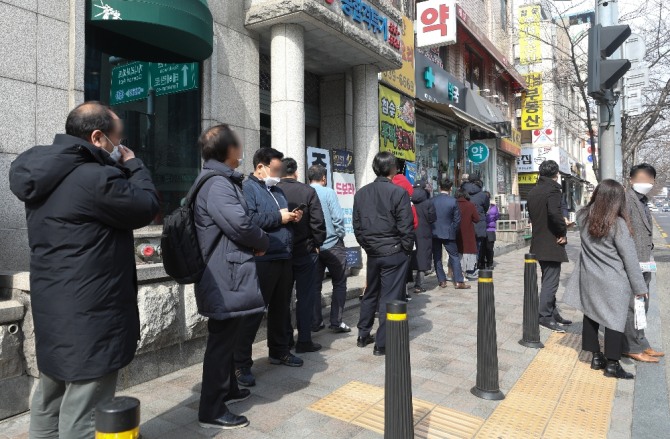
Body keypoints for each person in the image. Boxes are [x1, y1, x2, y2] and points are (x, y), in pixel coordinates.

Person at [9, 102, 160, 438]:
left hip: (54, 309)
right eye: (118, 140)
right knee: (85, 413)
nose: (120, 147)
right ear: (97, 137)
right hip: (93, 312)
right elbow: (146, 206)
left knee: (49, 399)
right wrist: (133, 164)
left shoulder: (45, 173)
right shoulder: (96, 177)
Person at [192, 125, 270, 430]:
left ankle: (229, 389)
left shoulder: (220, 181)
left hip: (228, 271)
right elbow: (240, 225)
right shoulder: (218, 185)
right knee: (221, 341)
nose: (241, 149)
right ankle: (211, 408)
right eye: (237, 144)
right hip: (224, 274)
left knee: (228, 334)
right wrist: (262, 241)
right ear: (228, 150)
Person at [564, 180, 648, 379]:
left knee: (591, 315)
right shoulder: (618, 224)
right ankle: (612, 365)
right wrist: (640, 286)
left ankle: (596, 357)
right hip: (614, 281)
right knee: (614, 322)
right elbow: (630, 258)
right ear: (617, 200)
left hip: (589, 277)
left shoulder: (582, 216)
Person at [234, 148, 303, 389]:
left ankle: (280, 350)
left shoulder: (277, 190)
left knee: (282, 308)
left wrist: (292, 217)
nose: (278, 174)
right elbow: (248, 221)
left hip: (283, 255)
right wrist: (279, 217)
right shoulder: (247, 188)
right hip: (261, 258)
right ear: (261, 167)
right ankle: (241, 364)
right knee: (253, 312)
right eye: (275, 169)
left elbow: (279, 216)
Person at [353, 152, 414, 356]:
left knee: (371, 292)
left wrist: (368, 246)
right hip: (393, 251)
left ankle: (363, 334)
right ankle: (382, 343)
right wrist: (405, 248)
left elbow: (357, 227)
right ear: (393, 169)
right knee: (390, 296)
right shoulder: (398, 193)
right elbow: (406, 227)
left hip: (374, 251)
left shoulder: (362, 193)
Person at [277, 158, 326, 353]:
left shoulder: (274, 191)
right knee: (305, 297)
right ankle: (304, 340)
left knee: (283, 298)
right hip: (305, 251)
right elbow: (318, 222)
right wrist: (317, 243)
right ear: (296, 172)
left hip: (282, 252)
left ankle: (286, 339)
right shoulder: (308, 191)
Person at [622, 163, 664, 362]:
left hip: (644, 262)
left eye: (649, 179)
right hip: (632, 263)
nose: (645, 182)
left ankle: (641, 341)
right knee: (632, 305)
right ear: (631, 180)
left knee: (641, 304)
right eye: (640, 179)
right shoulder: (626, 200)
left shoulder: (644, 201)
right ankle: (630, 346)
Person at [527, 160, 572, 332]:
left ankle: (553, 312)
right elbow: (554, 213)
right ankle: (544, 315)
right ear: (556, 174)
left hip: (538, 241)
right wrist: (562, 231)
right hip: (552, 241)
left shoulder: (533, 191)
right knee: (551, 281)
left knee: (548, 278)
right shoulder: (552, 189)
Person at [308, 165, 351, 333]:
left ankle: (316, 321)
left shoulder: (306, 192)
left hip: (314, 246)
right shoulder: (329, 192)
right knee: (339, 282)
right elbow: (338, 218)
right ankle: (336, 321)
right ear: (324, 178)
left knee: (315, 284)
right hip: (333, 244)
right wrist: (340, 235)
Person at [432, 179, 469, 289]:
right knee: (454, 256)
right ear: (451, 189)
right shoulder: (453, 201)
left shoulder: (433, 200)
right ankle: (458, 281)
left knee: (437, 257)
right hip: (449, 233)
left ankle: (442, 280)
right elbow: (457, 220)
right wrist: (452, 230)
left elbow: (429, 216)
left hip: (434, 232)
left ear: (439, 188)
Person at [411, 180, 437, 293]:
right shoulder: (428, 202)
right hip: (424, 232)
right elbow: (432, 218)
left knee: (410, 257)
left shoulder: (408, 200)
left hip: (410, 231)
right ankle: (419, 284)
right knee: (422, 257)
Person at [461, 174, 490, 272]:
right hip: (478, 223)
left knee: (464, 247)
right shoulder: (483, 195)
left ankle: (464, 268)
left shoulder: (462, 192)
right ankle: (472, 268)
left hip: (464, 222)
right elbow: (486, 208)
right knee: (476, 247)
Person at [455, 190, 480, 281]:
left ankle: (458, 272)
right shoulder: (470, 205)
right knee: (467, 252)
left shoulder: (454, 204)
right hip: (468, 232)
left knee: (458, 252)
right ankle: (466, 272)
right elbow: (476, 219)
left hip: (456, 232)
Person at [481, 194, 499, 270]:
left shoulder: (492, 208)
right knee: (487, 248)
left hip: (488, 230)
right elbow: (496, 217)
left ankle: (486, 263)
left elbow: (496, 217)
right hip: (487, 230)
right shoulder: (493, 207)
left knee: (486, 248)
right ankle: (488, 263)